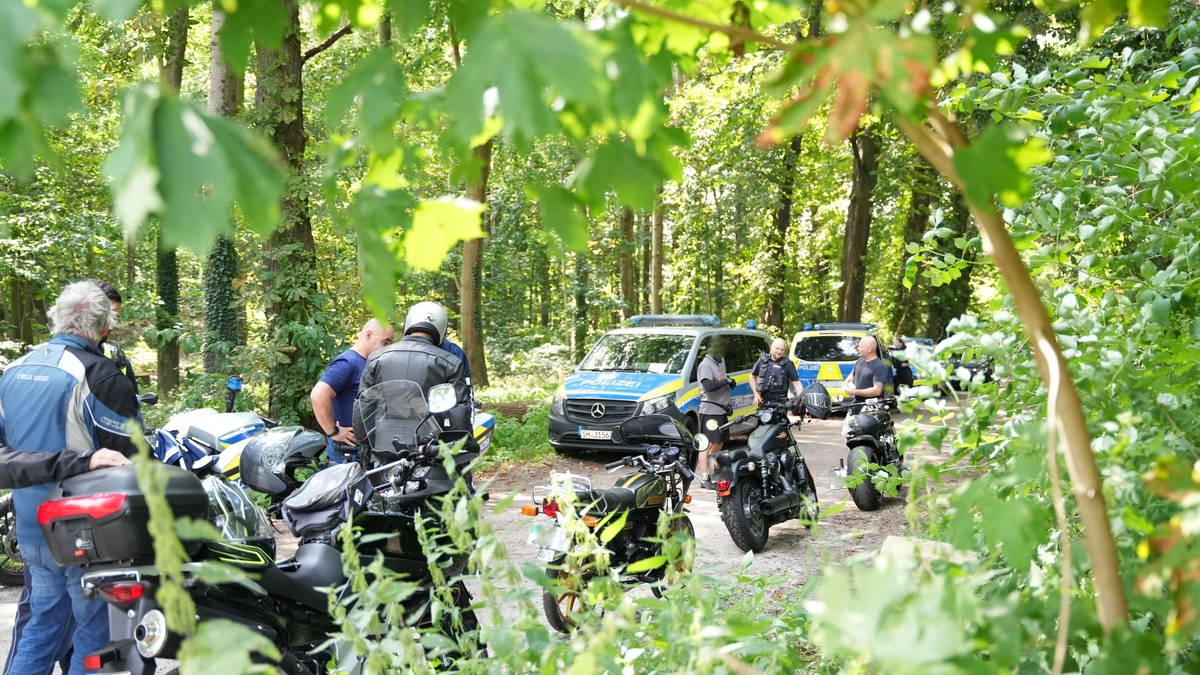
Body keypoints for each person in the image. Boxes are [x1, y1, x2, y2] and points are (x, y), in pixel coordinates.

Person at [0, 281, 141, 675]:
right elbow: (132, 460)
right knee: (97, 640)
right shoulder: (101, 375)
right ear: (103, 327)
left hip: (31, 531)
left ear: (56, 318)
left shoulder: (13, 370)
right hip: (89, 537)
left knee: (41, 632)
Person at [310, 318, 394, 464]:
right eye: (385, 343)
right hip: (347, 455)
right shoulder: (348, 363)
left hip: (366, 452)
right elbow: (318, 395)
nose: (387, 348)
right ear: (368, 335)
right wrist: (333, 432)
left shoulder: (368, 363)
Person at [696, 337, 735, 488]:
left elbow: (718, 385)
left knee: (719, 442)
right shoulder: (706, 365)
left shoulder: (716, 365)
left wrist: (729, 383)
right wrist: (725, 382)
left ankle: (716, 475)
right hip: (711, 411)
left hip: (720, 409)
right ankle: (705, 477)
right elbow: (708, 387)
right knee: (707, 444)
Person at [89, 280, 138, 394]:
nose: (110, 326)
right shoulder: (51, 356)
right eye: (105, 317)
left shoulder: (118, 360)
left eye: (115, 318)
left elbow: (133, 408)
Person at [749, 338, 802, 406]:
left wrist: (802, 400)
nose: (779, 351)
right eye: (777, 348)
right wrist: (756, 393)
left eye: (782, 350)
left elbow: (797, 383)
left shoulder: (788, 364)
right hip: (763, 403)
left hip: (780, 405)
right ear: (772, 347)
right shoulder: (762, 361)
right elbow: (752, 377)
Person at [844, 335, 890, 402]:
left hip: (871, 404)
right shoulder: (860, 361)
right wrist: (847, 382)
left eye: (861, 347)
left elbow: (877, 391)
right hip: (857, 402)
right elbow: (852, 375)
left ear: (869, 349)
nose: (858, 348)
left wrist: (855, 392)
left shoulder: (879, 366)